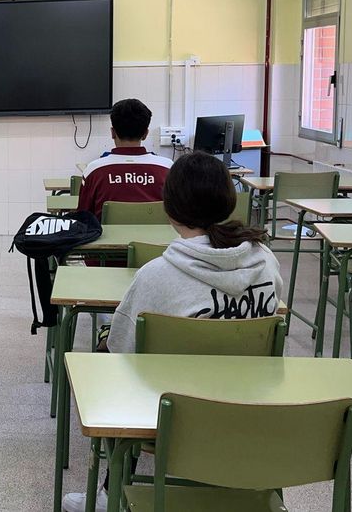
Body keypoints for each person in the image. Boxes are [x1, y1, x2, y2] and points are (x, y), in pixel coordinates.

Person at [62, 152, 282, 512]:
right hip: (252, 406)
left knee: (109, 359)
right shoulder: (265, 261)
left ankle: (109, 491)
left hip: (172, 415)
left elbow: (122, 350)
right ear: (229, 201)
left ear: (170, 208)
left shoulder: (156, 275)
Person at [76, 98, 172, 219]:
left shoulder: (93, 170)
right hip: (159, 238)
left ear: (113, 133)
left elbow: (83, 219)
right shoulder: (169, 169)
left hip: (109, 238)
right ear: (145, 134)